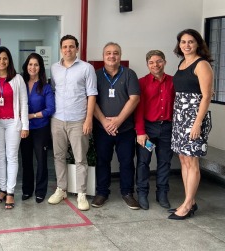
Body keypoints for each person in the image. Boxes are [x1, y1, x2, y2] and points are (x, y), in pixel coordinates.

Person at [48, 35, 97, 211]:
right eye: (65, 47)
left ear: (77, 48)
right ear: (61, 49)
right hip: (58, 119)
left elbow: (92, 94)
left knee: (80, 159)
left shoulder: (86, 68)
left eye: (71, 46)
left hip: (79, 120)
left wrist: (89, 119)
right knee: (58, 156)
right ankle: (61, 189)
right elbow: (54, 91)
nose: (68, 50)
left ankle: (81, 193)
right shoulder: (54, 68)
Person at [168, 29, 213, 220]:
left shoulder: (202, 64)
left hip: (193, 119)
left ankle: (187, 205)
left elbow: (206, 96)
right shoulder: (183, 62)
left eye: (191, 42)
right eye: (183, 42)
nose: (186, 45)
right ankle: (190, 200)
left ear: (198, 44)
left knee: (192, 161)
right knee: (184, 160)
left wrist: (197, 123)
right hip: (180, 118)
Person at [91, 42, 141, 210]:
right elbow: (91, 100)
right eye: (108, 53)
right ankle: (102, 193)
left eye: (116, 53)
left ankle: (127, 193)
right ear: (103, 56)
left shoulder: (129, 74)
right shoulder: (95, 75)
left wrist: (118, 120)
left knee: (126, 162)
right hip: (102, 128)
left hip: (125, 129)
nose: (112, 56)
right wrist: (105, 122)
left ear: (120, 55)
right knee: (102, 161)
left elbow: (134, 98)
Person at [0, 46, 28, 210]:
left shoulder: (17, 79)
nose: (2, 61)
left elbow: (24, 103)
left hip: (13, 123)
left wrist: (25, 126)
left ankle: (10, 191)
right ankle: (2, 189)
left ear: (9, 60)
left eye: (5, 58)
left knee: (12, 156)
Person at [134, 50, 175, 210]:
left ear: (164, 62)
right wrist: (140, 132)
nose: (155, 65)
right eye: (151, 62)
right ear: (147, 64)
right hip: (148, 129)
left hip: (167, 128)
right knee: (143, 162)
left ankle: (162, 194)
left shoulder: (173, 82)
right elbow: (138, 109)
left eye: (158, 61)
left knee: (164, 162)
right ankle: (142, 194)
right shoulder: (142, 82)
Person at [20, 53, 55, 204]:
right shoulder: (20, 83)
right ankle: (27, 190)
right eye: (30, 64)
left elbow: (50, 109)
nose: (32, 67)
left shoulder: (45, 86)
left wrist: (32, 116)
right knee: (26, 160)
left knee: (41, 160)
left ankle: (40, 191)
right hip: (24, 128)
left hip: (40, 128)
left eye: (36, 64)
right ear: (26, 66)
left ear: (40, 67)